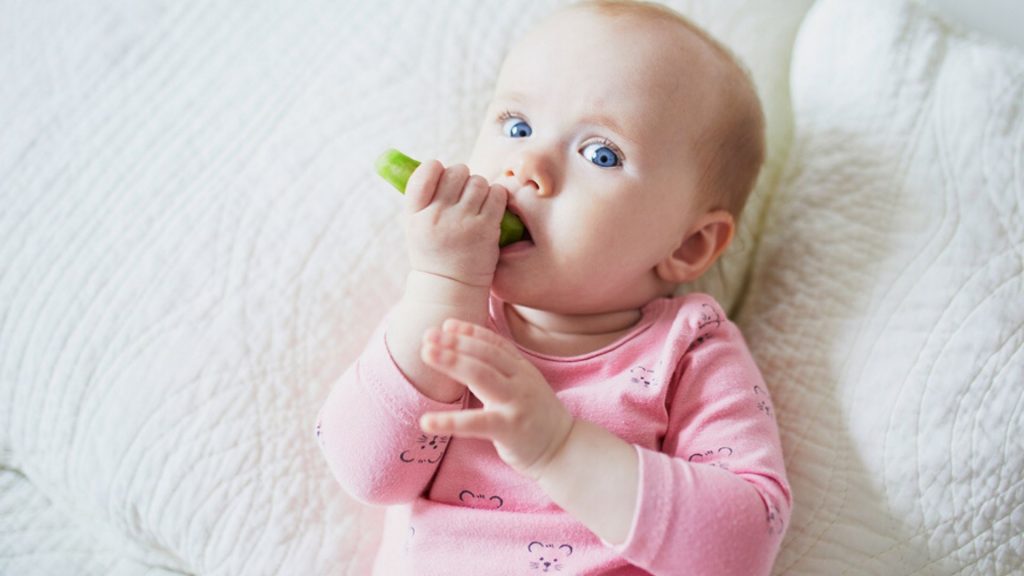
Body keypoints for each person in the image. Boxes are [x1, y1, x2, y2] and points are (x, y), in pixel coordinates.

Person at [317, 1, 790, 574]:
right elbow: (368, 473)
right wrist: (442, 285)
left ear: (688, 247)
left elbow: (742, 547)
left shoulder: (690, 351)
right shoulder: (449, 317)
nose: (527, 164)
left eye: (601, 153)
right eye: (517, 126)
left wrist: (559, 448)